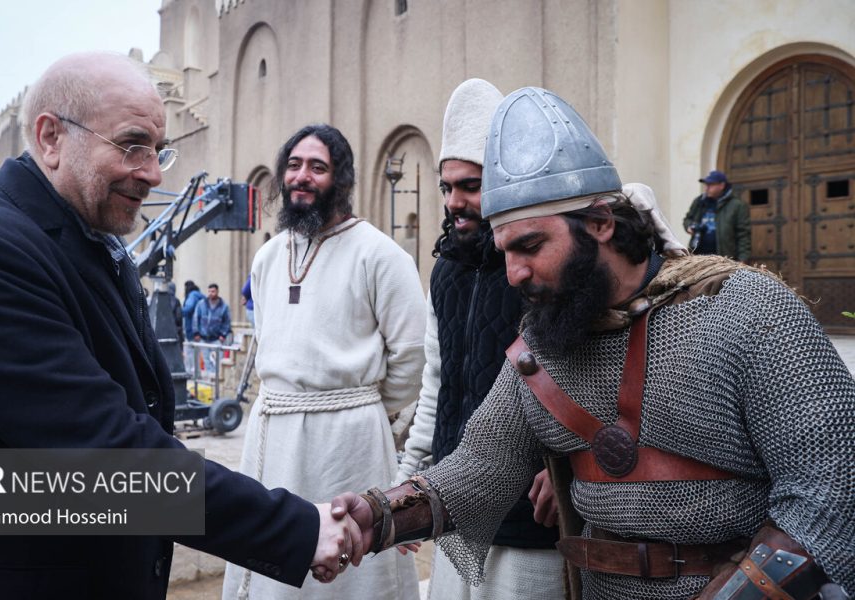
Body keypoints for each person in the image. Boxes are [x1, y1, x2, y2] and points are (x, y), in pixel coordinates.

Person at [0, 52, 363, 600]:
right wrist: (299, 529)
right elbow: (103, 449)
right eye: (132, 145)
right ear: (51, 138)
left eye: (158, 151)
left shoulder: (84, 239)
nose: (153, 173)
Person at [335, 87, 854, 599]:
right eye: (505, 251)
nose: (513, 274)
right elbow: (480, 468)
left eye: (530, 246)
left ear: (601, 222)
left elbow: (829, 494)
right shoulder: (544, 343)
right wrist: (378, 516)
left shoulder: (745, 310)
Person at [222, 124, 426, 600]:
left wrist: (362, 409)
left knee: (350, 574)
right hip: (273, 437)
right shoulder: (268, 257)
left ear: (341, 178)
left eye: (318, 167)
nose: (302, 176)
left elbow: (412, 355)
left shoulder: (381, 255)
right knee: (273, 563)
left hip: (348, 443)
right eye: (294, 165)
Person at [395, 79, 563, 599]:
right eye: (446, 188)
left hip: (529, 519)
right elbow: (436, 383)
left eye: (469, 185)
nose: (455, 202)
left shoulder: (545, 265)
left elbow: (592, 372)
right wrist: (409, 480)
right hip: (456, 501)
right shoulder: (446, 272)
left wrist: (570, 469)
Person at [683, 169, 751, 262]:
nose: (707, 188)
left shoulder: (737, 205)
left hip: (724, 259)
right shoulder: (699, 201)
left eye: (711, 185)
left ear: (722, 185)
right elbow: (688, 219)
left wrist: (742, 259)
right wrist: (689, 226)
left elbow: (743, 235)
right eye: (706, 185)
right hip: (697, 257)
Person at [193, 282, 232, 374]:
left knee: (219, 360)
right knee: (206, 360)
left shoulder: (224, 306)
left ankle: (218, 377)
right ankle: (209, 378)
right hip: (204, 337)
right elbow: (196, 318)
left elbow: (227, 321)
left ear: (217, 291)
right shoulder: (201, 304)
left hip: (217, 338)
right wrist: (196, 332)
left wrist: (223, 334)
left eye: (213, 291)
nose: (211, 293)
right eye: (209, 291)